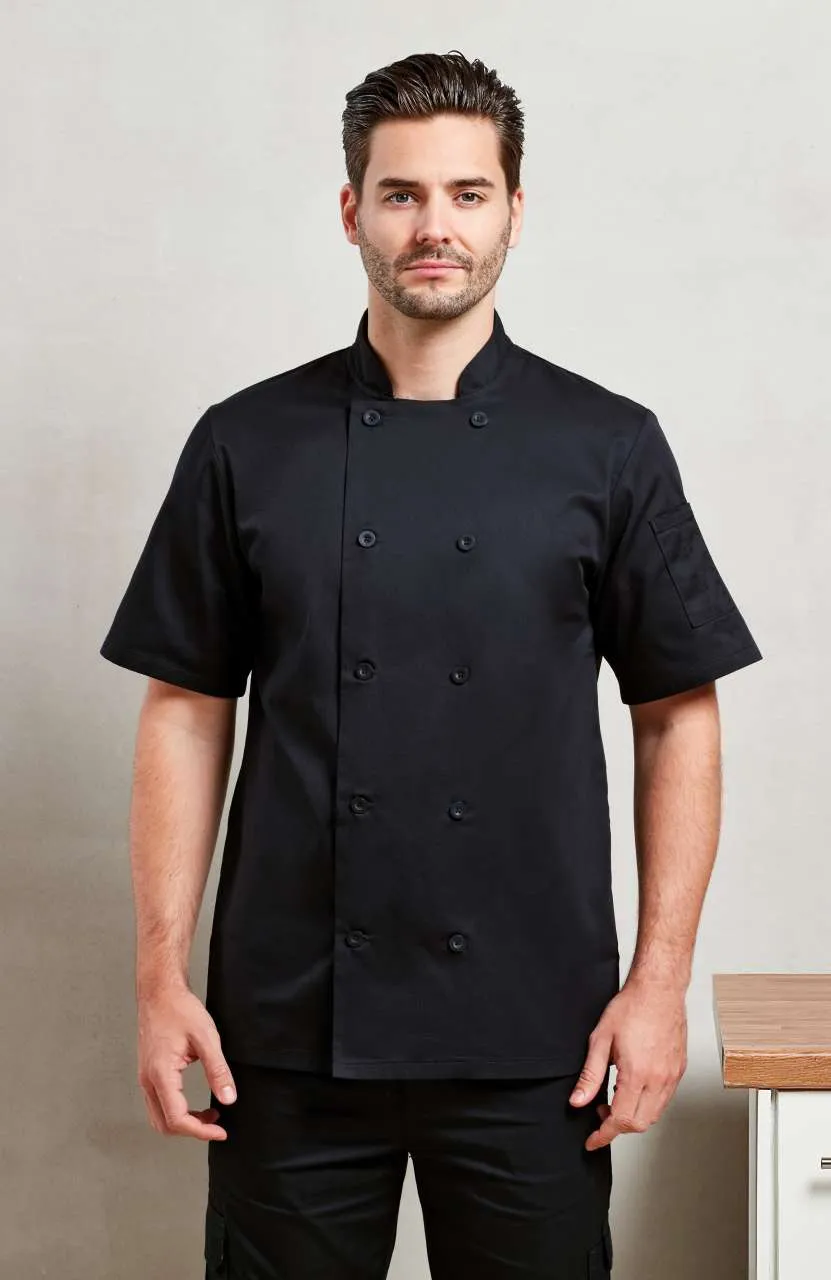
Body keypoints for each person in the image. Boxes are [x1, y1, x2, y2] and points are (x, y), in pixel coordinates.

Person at [100, 48, 763, 1280]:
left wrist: (659, 983)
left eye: (468, 193)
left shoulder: (607, 445)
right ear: (351, 210)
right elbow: (186, 708)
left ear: (516, 210)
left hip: (540, 1032)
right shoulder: (247, 441)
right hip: (288, 1030)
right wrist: (158, 975)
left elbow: (680, 713)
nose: (434, 227)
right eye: (401, 194)